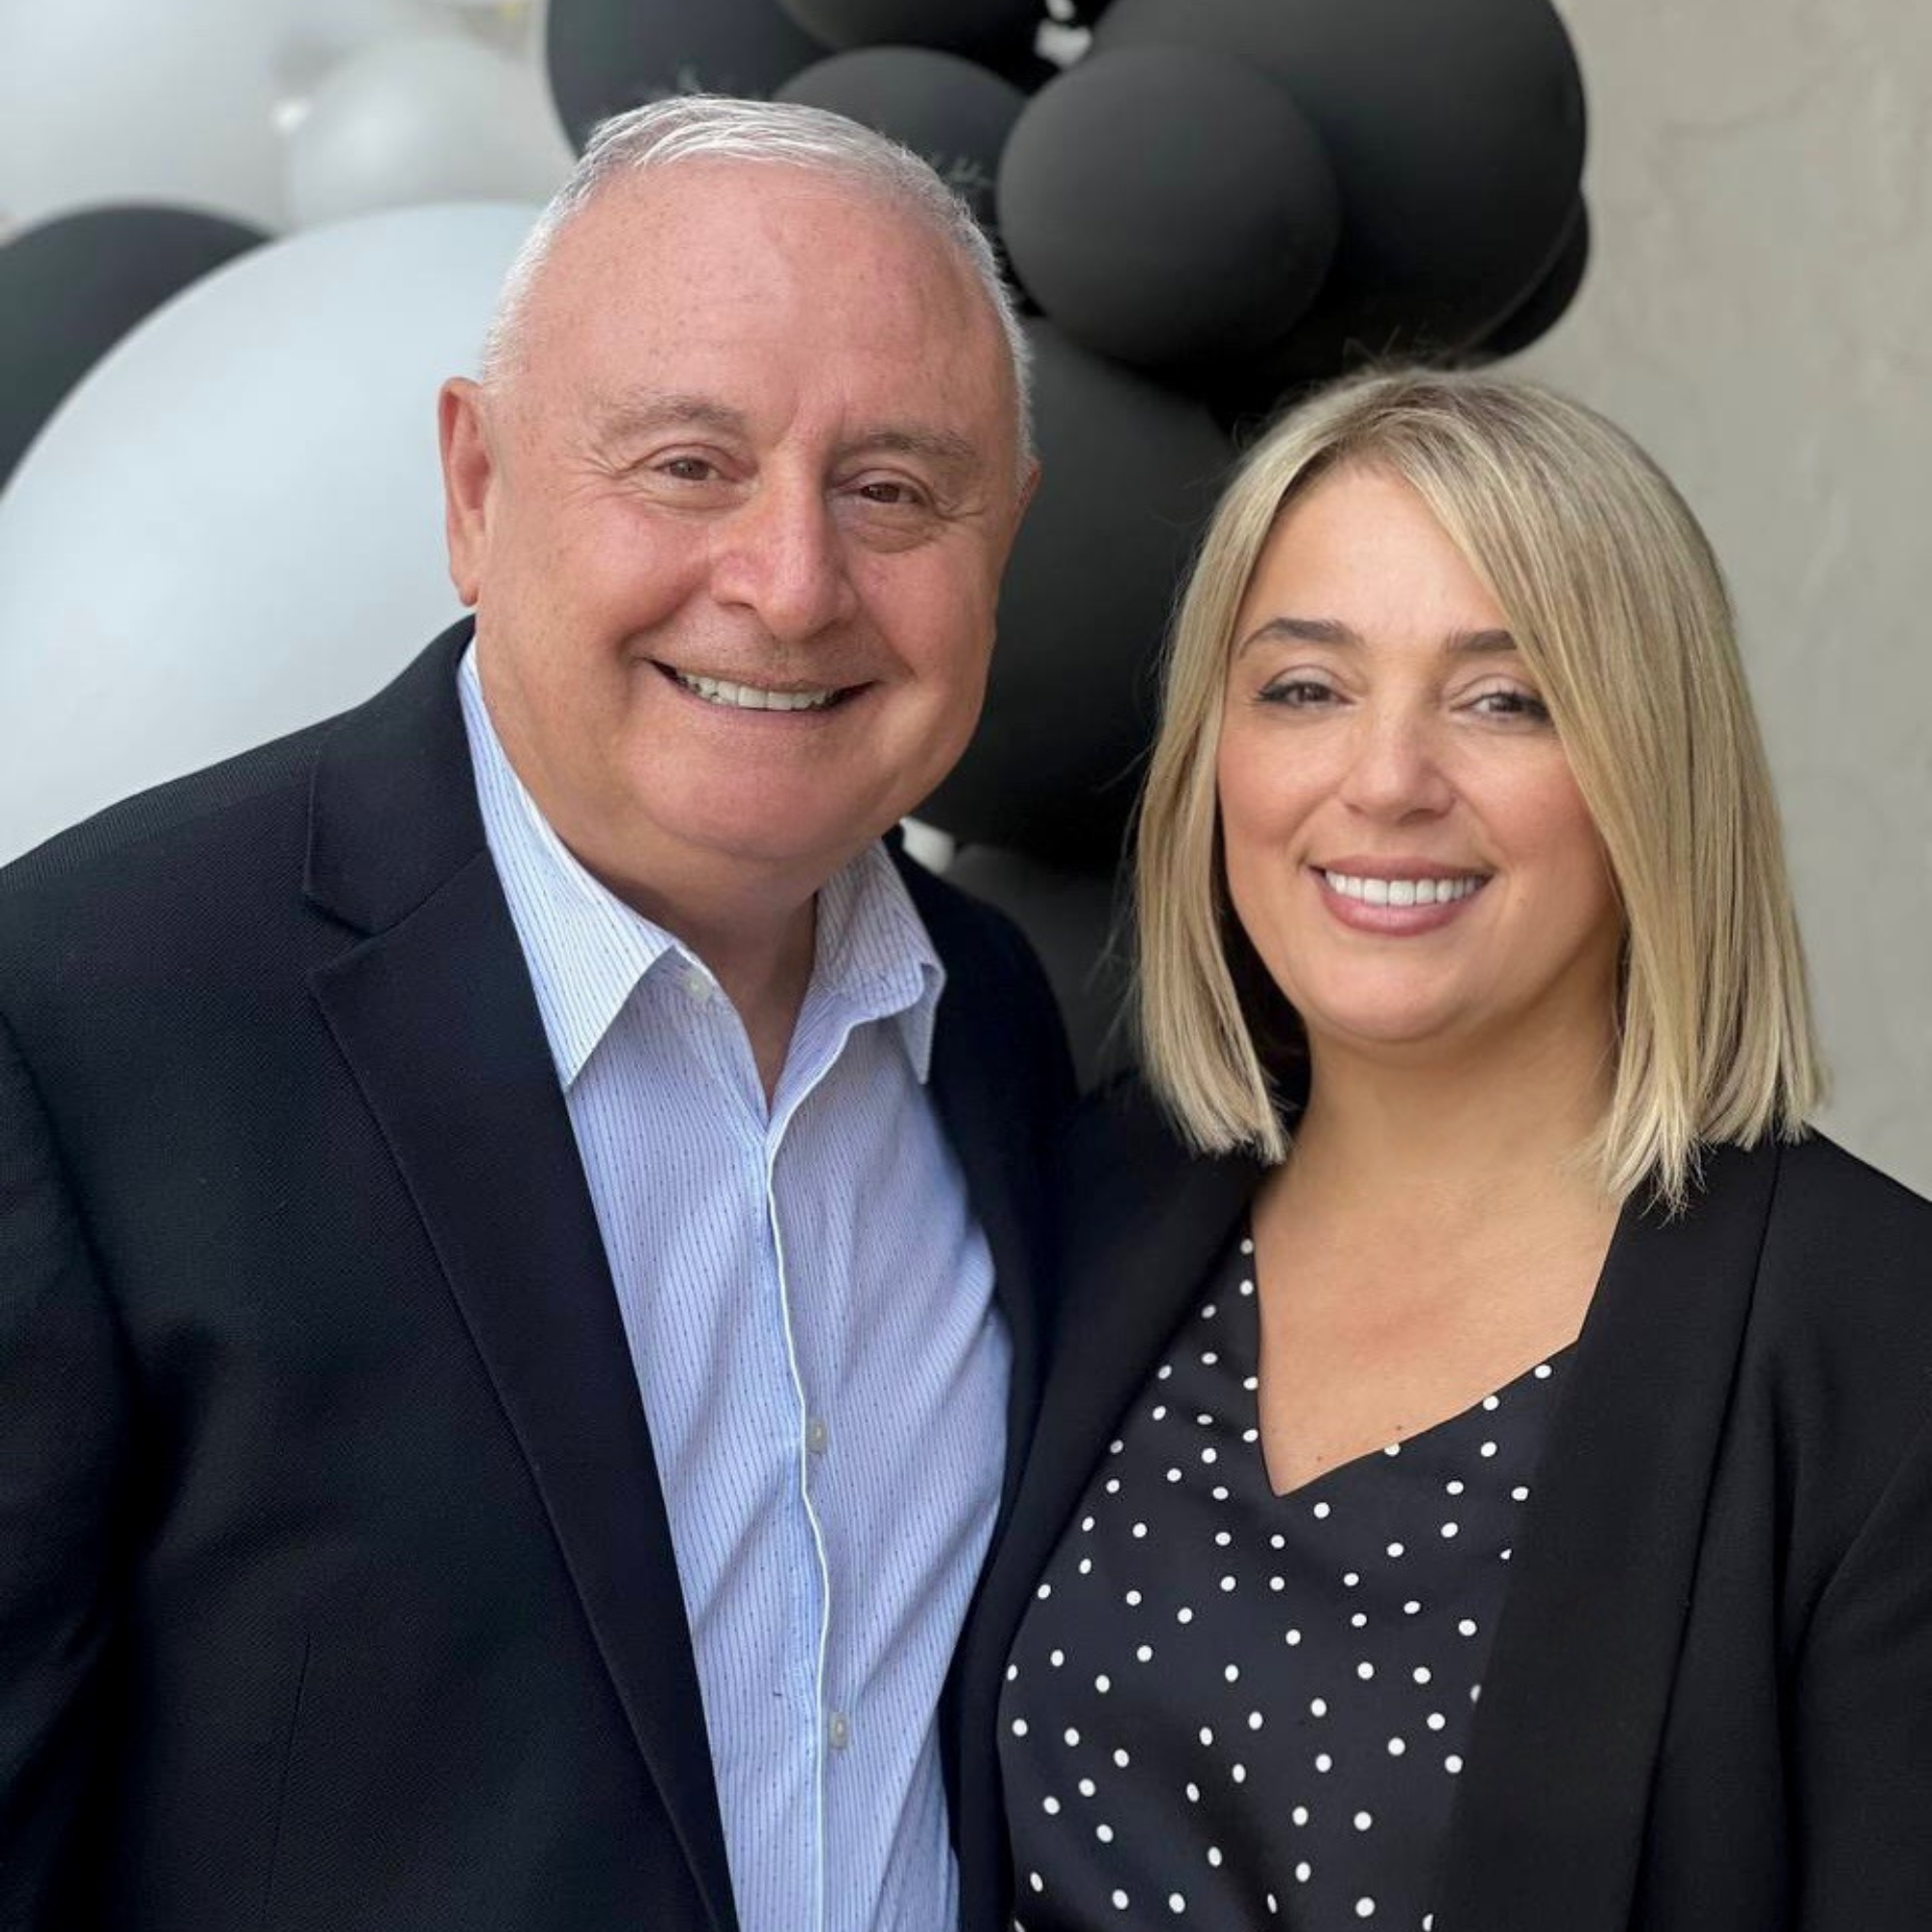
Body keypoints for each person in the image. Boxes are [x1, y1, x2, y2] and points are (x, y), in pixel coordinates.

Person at [0, 97, 1072, 1931]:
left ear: (1007, 539)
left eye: (892, 488)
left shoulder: (996, 1028)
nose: (792, 581)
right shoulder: (86, 1016)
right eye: (687, 465)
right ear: (477, 490)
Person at [949, 369, 1932, 1931]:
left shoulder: (1879, 1345)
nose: (1389, 779)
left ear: (1650, 775)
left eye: (1504, 698)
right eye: (1304, 689)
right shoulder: (1074, 1209)